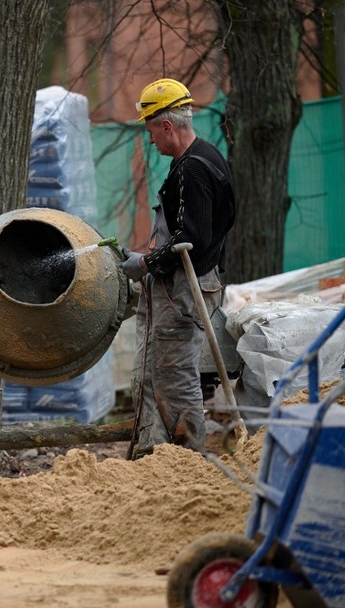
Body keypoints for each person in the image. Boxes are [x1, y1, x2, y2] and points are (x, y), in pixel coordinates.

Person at [123, 78, 236, 458]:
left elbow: (193, 238)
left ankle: (188, 460)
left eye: (151, 130)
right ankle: (156, 455)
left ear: (167, 126)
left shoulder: (194, 169)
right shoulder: (204, 157)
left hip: (184, 286)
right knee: (159, 373)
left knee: (174, 378)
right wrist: (149, 256)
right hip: (184, 281)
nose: (151, 140)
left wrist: (146, 262)